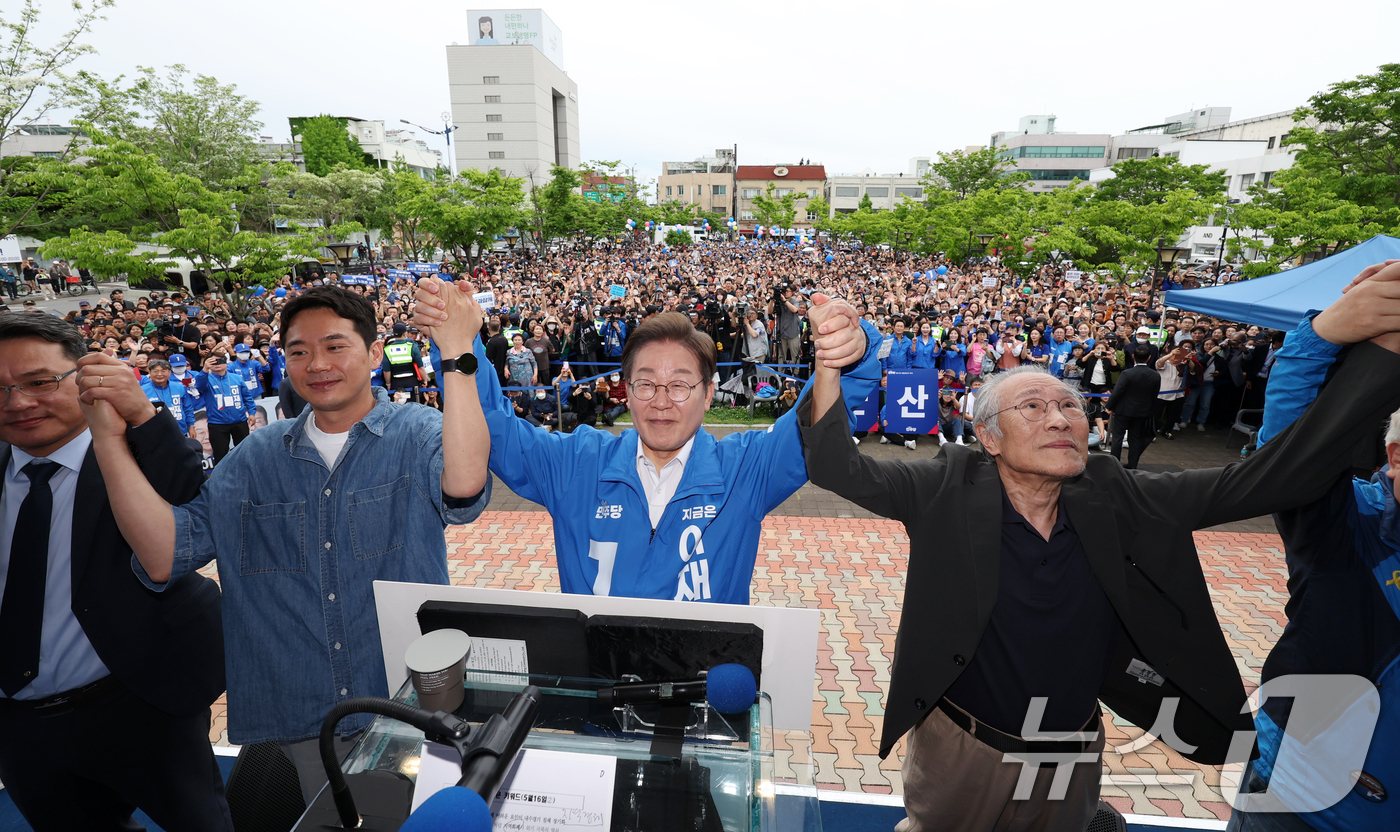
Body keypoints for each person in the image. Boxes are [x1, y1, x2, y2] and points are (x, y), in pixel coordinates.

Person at [796, 264, 1400, 832]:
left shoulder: (1115, 493)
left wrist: (1361, 352)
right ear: (988, 436)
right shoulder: (943, 487)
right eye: (1033, 408)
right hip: (962, 742)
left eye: (1070, 406)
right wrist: (829, 366)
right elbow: (835, 466)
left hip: (1070, 748)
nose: (1060, 419)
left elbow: (1268, 480)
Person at [78, 285, 492, 803]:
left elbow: (465, 481)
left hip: (412, 700)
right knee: (342, 817)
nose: (317, 363)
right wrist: (109, 441)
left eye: (335, 346)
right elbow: (165, 554)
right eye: (298, 351)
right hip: (306, 717)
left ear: (373, 351)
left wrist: (456, 350)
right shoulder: (257, 456)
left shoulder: (417, 431)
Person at [415, 277, 878, 604]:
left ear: (710, 392)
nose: (661, 401)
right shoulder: (576, 463)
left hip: (707, 706)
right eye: (645, 384)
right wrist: (460, 345)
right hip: (598, 704)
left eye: (679, 385)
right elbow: (494, 425)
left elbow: (818, 422)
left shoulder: (746, 468)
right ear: (627, 388)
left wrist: (851, 351)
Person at [0, 312, 230, 831]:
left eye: (38, 382)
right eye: (1, 389)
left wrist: (140, 416)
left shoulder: (134, 455)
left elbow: (188, 493)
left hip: (142, 702)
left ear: (86, 375)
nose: (18, 403)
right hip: (20, 724)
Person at [1106, 344, 1161, 469]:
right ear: (1149, 358)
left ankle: (1114, 465)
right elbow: (1154, 395)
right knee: (1135, 438)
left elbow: (1117, 392)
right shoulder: (1155, 375)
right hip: (1142, 412)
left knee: (1117, 438)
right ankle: (1132, 465)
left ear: (1133, 356)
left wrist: (1109, 406)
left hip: (1123, 410)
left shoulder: (1127, 373)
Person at [196, 354, 253, 464]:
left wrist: (252, 412)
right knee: (220, 454)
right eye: (213, 362)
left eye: (220, 361)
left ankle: (247, 475)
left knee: (244, 451)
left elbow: (247, 396)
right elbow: (199, 386)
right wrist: (204, 369)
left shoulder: (236, 378)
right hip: (217, 424)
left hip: (239, 421)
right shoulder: (206, 379)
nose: (217, 364)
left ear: (226, 363)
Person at [140, 358, 200, 433]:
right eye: (155, 371)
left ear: (169, 372)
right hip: (154, 431)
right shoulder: (142, 390)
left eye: (163, 371)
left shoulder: (180, 387)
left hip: (180, 430)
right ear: (149, 372)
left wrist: (191, 426)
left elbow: (188, 408)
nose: (159, 374)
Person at [381, 321, 426, 401]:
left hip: (396, 382)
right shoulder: (412, 346)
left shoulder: (387, 349)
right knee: (413, 405)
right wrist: (424, 379)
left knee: (398, 405)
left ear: (393, 333)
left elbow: (386, 371)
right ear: (405, 333)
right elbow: (420, 367)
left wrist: (388, 384)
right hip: (411, 381)